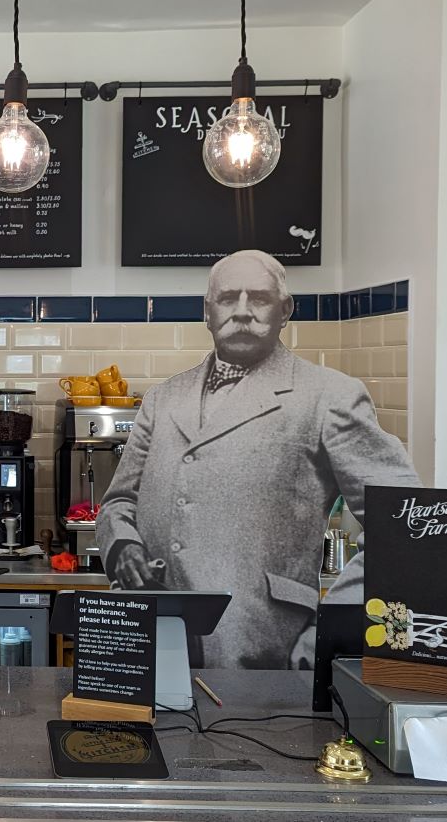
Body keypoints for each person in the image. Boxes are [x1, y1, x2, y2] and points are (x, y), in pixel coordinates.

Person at [96, 249, 420, 669]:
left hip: (263, 649)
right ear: (207, 312)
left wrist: (328, 632)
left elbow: (405, 527)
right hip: (146, 640)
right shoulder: (164, 398)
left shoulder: (329, 396)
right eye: (229, 298)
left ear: (285, 310)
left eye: (260, 298)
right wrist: (121, 547)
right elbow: (119, 502)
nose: (243, 311)